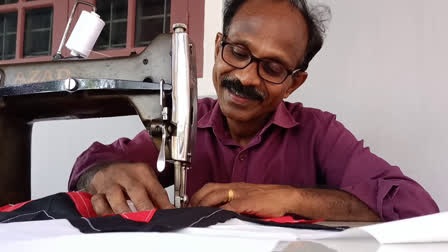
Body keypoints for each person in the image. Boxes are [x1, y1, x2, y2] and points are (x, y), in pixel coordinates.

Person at [69, 0, 439, 221]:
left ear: (295, 82)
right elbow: (92, 164)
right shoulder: (184, 123)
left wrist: (290, 198)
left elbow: (415, 206)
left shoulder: (319, 134)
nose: (245, 77)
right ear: (218, 47)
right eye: (239, 52)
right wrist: (103, 173)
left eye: (273, 68)